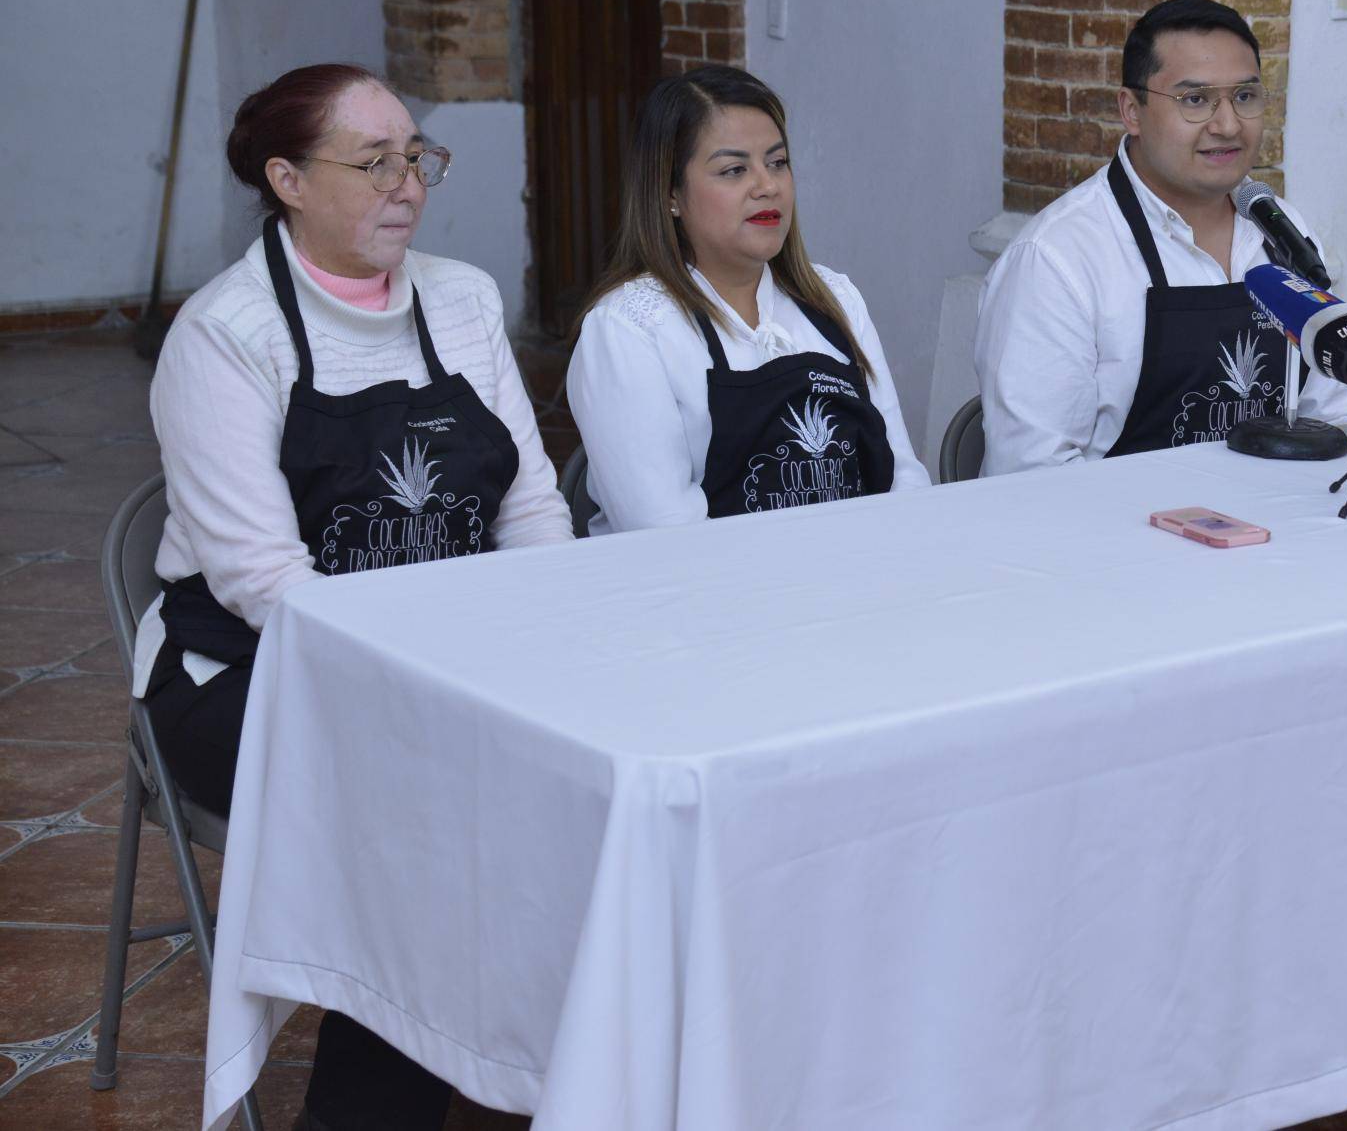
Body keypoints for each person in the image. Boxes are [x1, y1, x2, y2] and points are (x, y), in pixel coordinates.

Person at [140, 63, 574, 1130]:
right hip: (251, 672)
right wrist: (436, 684)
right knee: (423, 813)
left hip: (460, 654)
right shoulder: (226, 334)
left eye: (417, 158)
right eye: (373, 161)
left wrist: (554, 638)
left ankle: (557, 1059)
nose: (408, 185)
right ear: (286, 178)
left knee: (597, 765)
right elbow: (264, 582)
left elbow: (529, 503)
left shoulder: (463, 297)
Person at [973, 0, 1347, 474]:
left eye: (1245, 96)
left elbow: (1333, 416)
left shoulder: (1282, 231)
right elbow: (1029, 473)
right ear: (1131, 110)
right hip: (1119, 539)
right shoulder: (1056, 258)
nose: (1227, 125)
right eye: (1194, 100)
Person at [566, 66, 928, 529]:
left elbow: (902, 477)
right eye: (734, 170)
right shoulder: (628, 330)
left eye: (777, 162)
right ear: (669, 193)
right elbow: (663, 534)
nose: (767, 185)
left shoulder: (833, 300)